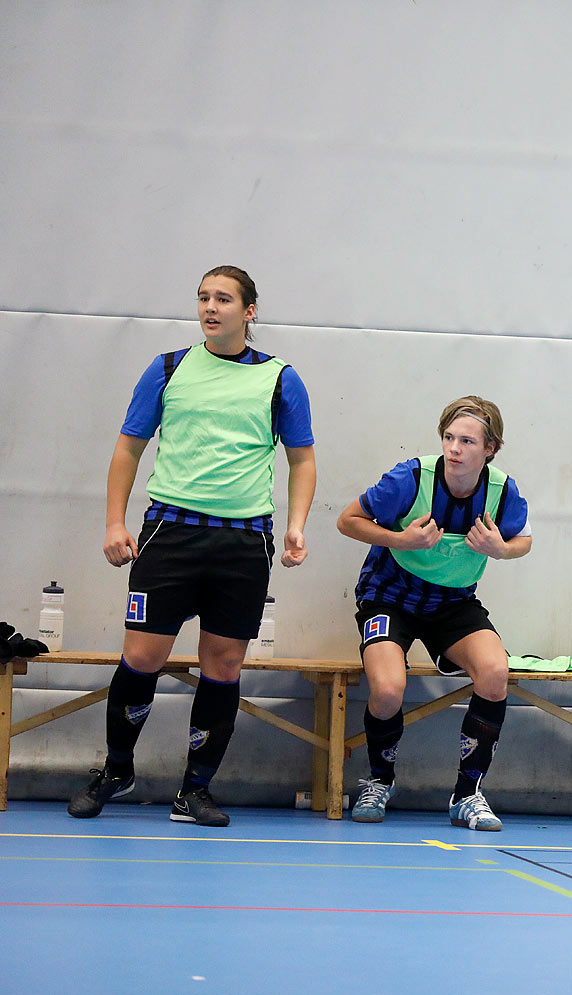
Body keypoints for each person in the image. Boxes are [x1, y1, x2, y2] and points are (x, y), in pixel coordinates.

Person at [68, 266, 317, 827]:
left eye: (223, 299)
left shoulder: (280, 379)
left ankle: (195, 790)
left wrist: (297, 524)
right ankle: (116, 770)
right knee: (141, 657)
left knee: (222, 663)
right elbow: (129, 448)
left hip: (243, 541)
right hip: (170, 534)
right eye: (203, 298)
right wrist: (115, 522)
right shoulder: (167, 369)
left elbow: (302, 458)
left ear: (249, 311)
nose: (211, 307)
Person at [336, 396, 531, 831]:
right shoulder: (410, 478)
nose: (454, 449)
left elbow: (523, 541)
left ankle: (468, 794)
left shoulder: (502, 491)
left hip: (453, 603)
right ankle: (379, 780)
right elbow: (347, 521)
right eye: (448, 438)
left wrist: (500, 549)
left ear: (490, 448)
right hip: (390, 596)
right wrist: (401, 540)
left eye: (466, 441)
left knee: (495, 671)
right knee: (387, 689)